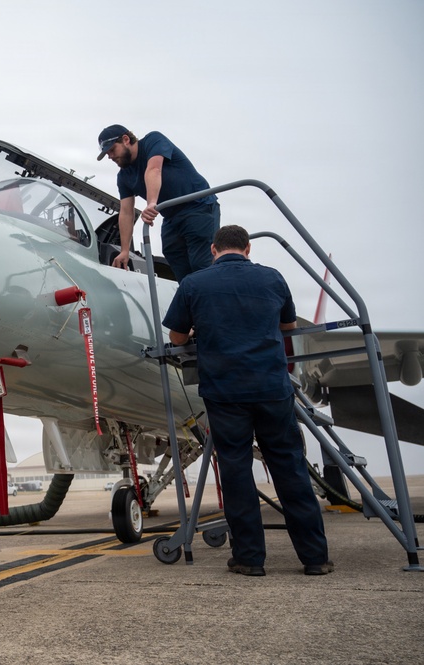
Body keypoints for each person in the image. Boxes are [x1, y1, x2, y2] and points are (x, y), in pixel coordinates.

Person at [162, 225, 332, 576]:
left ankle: (250, 559)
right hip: (272, 388)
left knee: (237, 472)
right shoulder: (273, 279)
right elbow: (287, 327)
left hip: (226, 392)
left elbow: (176, 336)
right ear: (248, 248)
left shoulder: (193, 284)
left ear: (213, 249)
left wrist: (200, 329)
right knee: (290, 468)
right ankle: (315, 558)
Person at [97, 124, 220, 282]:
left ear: (126, 140)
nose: (110, 156)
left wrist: (151, 203)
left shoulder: (153, 141)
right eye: (107, 154)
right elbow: (126, 212)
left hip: (198, 206)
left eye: (112, 150)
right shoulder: (123, 177)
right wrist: (124, 250)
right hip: (172, 217)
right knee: (175, 259)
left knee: (201, 264)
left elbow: (154, 169)